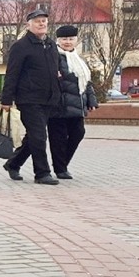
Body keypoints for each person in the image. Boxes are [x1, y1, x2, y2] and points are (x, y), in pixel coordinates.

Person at [0, 8, 62, 184]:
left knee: (34, 137)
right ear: (29, 24)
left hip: (49, 98)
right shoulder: (21, 47)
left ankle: (13, 163)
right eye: (37, 21)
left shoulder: (50, 45)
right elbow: (12, 73)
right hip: (28, 99)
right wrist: (6, 99)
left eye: (44, 21)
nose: (42, 24)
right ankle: (42, 173)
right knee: (39, 136)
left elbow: (56, 69)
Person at [48, 25, 98, 179]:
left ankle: (61, 164)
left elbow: (86, 81)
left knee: (78, 133)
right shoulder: (53, 56)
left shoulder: (78, 59)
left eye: (71, 39)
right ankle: (60, 169)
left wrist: (91, 100)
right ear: (58, 40)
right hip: (58, 105)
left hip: (76, 105)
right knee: (58, 138)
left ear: (76, 40)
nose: (67, 42)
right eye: (64, 39)